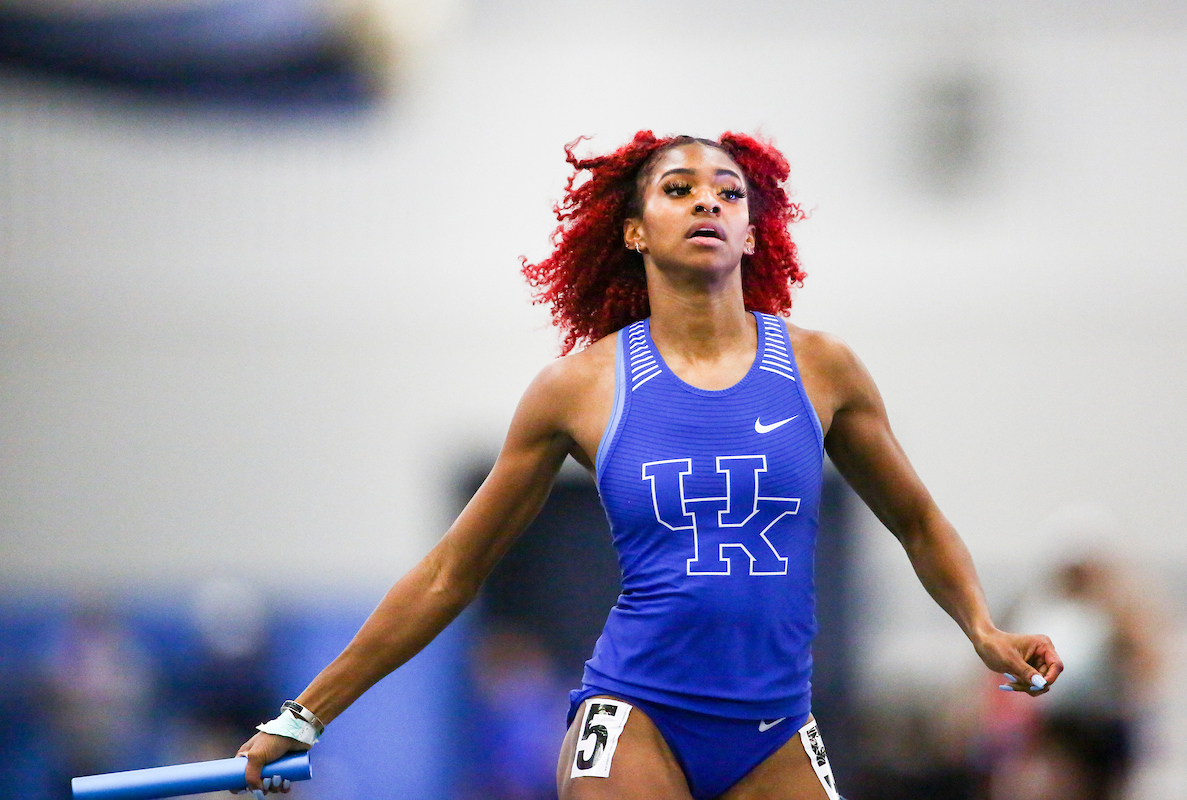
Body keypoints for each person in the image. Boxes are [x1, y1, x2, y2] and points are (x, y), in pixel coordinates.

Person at [235, 131, 1064, 800]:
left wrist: (982, 629)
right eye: (678, 188)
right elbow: (453, 572)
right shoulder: (579, 388)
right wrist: (306, 717)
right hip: (637, 714)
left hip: (775, 729)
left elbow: (917, 520)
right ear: (634, 230)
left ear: (750, 230)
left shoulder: (823, 370)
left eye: (729, 192)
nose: (707, 198)